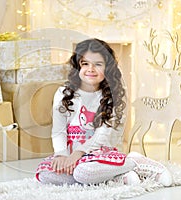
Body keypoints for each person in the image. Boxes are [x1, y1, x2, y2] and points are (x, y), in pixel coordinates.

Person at [35, 38, 173, 186]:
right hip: (72, 156)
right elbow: (58, 130)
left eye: (98, 65)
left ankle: (134, 162)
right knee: (45, 174)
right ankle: (116, 178)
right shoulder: (63, 93)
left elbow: (102, 136)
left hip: (98, 153)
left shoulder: (110, 96)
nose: (90, 69)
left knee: (83, 173)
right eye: (85, 64)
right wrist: (61, 155)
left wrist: (78, 153)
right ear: (77, 66)